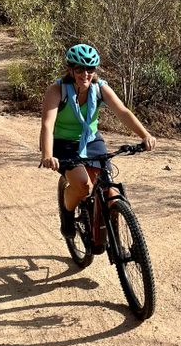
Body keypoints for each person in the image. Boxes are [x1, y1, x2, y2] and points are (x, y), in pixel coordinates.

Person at [40, 43, 156, 236]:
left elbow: (123, 112)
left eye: (90, 69)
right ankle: (67, 214)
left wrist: (145, 135)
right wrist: (48, 155)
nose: (85, 74)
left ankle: (117, 242)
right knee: (84, 186)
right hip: (63, 143)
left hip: (92, 140)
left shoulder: (99, 88)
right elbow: (47, 124)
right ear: (70, 69)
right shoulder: (57, 90)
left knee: (111, 191)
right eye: (79, 69)